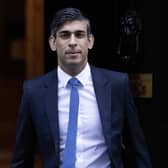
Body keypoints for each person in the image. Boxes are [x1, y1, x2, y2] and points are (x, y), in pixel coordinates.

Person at [11, 7, 152, 168]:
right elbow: (22, 158)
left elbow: (137, 148)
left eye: (79, 34)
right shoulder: (34, 91)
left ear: (90, 41)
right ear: (52, 42)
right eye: (65, 35)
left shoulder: (116, 85)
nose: (72, 42)